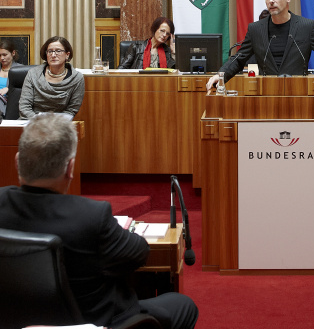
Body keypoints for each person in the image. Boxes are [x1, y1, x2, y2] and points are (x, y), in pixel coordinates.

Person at [0, 113, 198, 329]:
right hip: (95, 322)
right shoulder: (92, 215)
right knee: (184, 306)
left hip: (18, 321)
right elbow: (139, 253)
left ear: (18, 162)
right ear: (70, 168)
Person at [19, 36, 85, 119]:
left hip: (60, 124)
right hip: (31, 122)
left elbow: (71, 110)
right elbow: (24, 107)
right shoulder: (33, 74)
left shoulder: (76, 78)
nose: (53, 55)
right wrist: (40, 123)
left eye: (58, 51)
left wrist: (52, 125)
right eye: (50, 51)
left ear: (67, 55)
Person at [0, 39, 24, 115]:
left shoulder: (21, 70)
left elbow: (27, 90)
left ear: (13, 53)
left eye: (4, 55)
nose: (2, 58)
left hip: (13, 105)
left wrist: (9, 89)